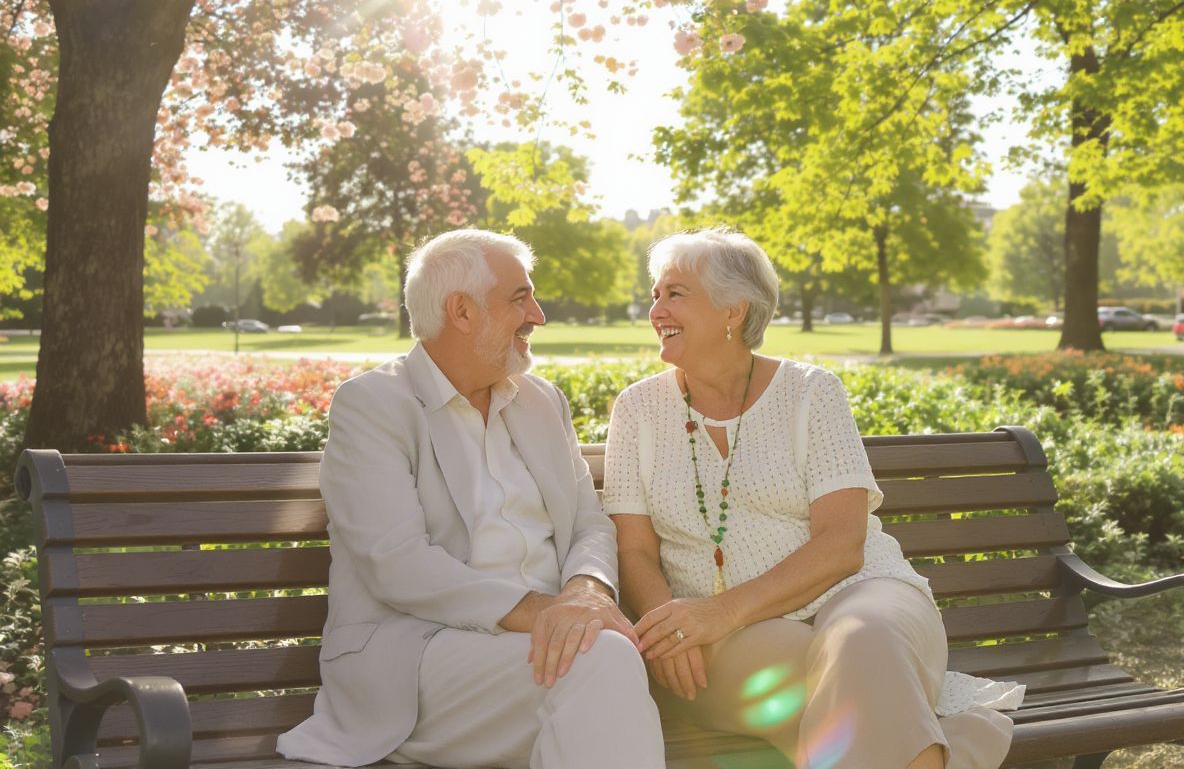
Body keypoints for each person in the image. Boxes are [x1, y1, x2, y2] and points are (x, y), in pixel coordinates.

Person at [603, 228, 1021, 769]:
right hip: (725, 635)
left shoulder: (810, 392)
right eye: (656, 293)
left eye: (674, 293)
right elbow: (633, 549)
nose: (655, 308)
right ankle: (945, 750)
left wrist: (721, 611)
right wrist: (672, 625)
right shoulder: (637, 410)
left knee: (863, 643)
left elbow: (843, 544)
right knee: (868, 688)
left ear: (735, 310)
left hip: (862, 591)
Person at [277, 229, 665, 769]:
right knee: (600, 660)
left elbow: (589, 524)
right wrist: (547, 613)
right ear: (461, 311)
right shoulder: (373, 404)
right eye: (519, 298)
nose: (538, 314)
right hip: (414, 661)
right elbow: (397, 563)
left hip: (544, 653)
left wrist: (585, 591)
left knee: (594, 672)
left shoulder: (540, 400)